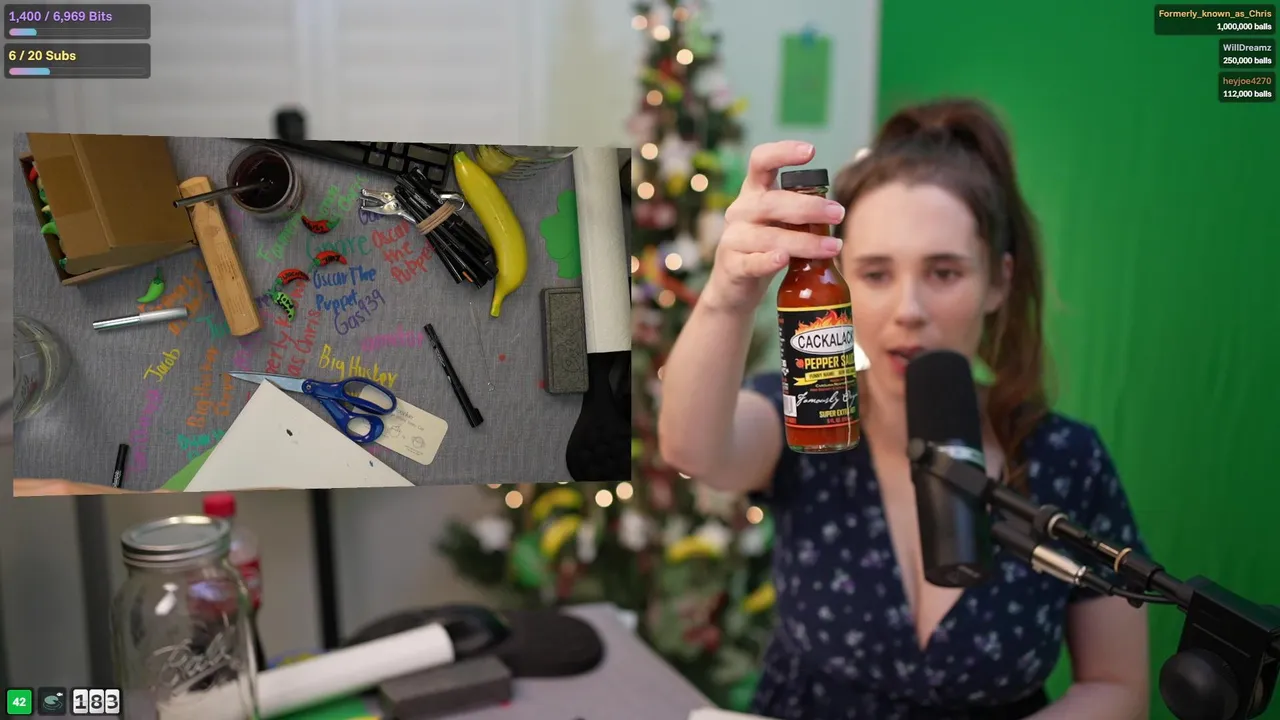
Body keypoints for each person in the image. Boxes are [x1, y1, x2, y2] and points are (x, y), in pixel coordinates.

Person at [659, 99, 1150, 719]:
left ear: (998, 282)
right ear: (839, 280)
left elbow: (1116, 685)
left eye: (943, 273)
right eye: (875, 274)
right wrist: (728, 295)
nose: (908, 310)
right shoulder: (809, 418)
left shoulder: (1068, 460)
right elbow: (691, 449)